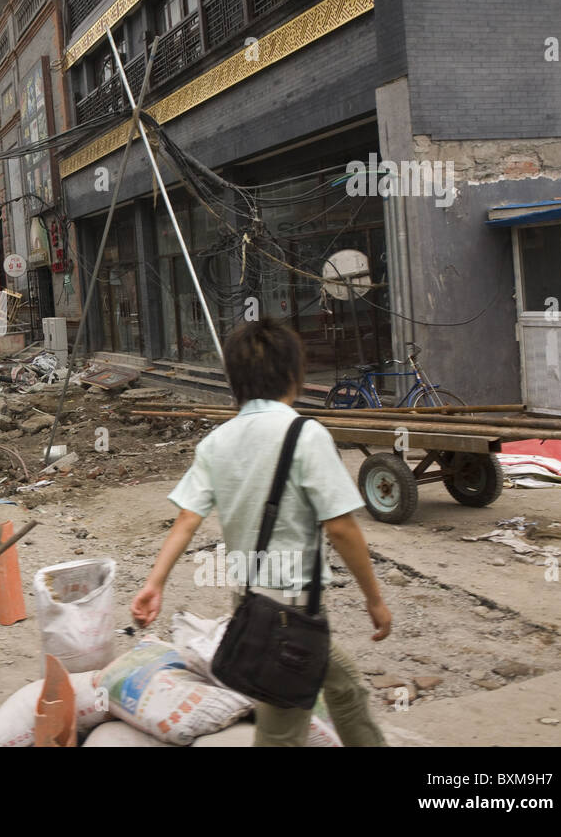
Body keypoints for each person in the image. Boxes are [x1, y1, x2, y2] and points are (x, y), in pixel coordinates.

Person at [130, 318, 391, 747]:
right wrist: (374, 600)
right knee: (281, 732)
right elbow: (341, 528)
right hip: (291, 614)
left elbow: (187, 520)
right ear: (294, 375)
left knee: (345, 690)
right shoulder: (306, 435)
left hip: (252, 604)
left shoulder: (216, 442)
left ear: (234, 381)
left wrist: (153, 585)